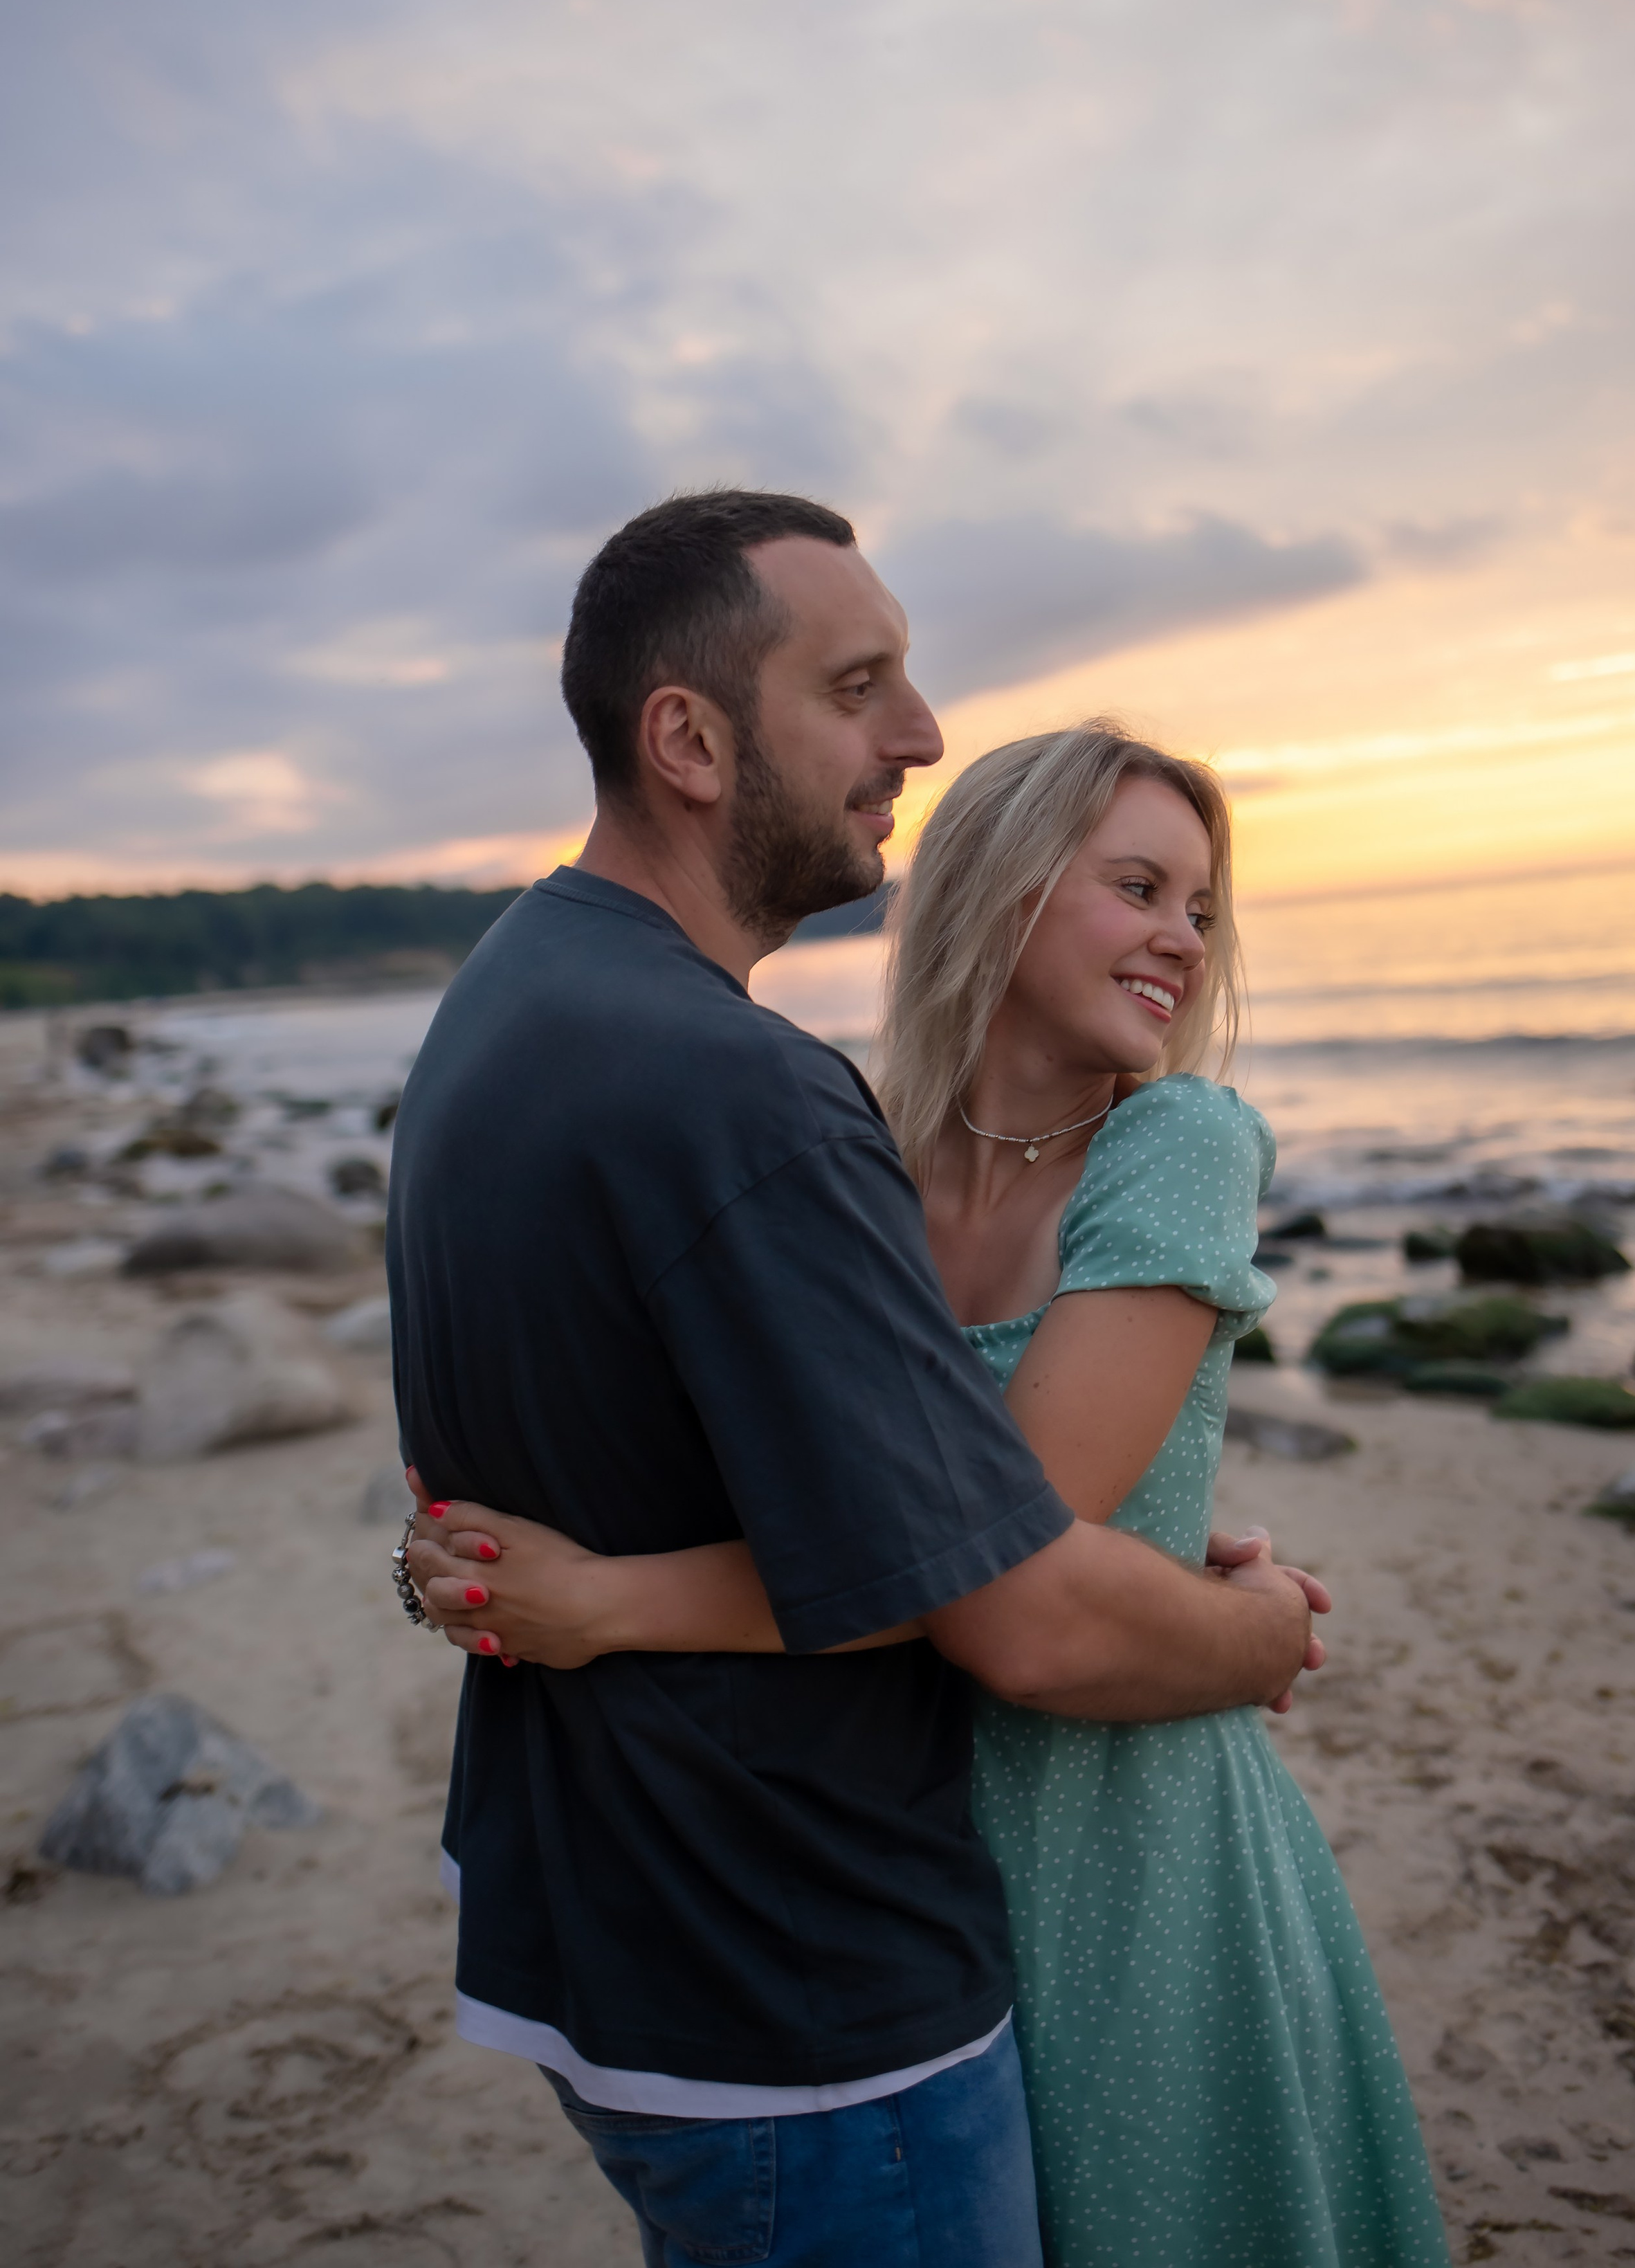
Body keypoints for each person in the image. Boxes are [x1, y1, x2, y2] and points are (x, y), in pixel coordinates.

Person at [388, 490, 1319, 2268]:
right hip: (791, 1969)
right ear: (688, 737)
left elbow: (889, 1498)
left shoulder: (507, 1003)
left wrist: (561, 1595)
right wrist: (1262, 1634)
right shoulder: (752, 1097)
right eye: (861, 684)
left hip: (612, 1911)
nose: (920, 734)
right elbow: (1011, 1605)